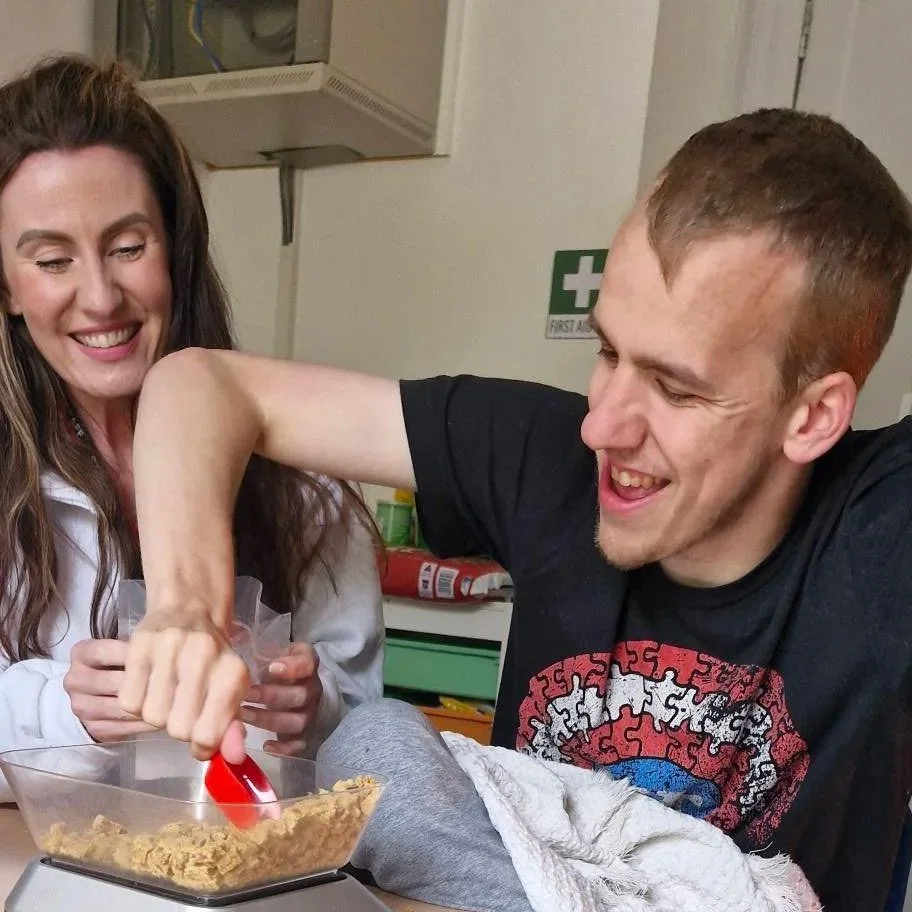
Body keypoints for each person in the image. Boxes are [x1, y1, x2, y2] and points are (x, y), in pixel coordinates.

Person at [122, 107, 912, 911]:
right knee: (374, 743)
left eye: (676, 389)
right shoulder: (544, 456)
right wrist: (184, 609)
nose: (600, 426)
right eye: (608, 352)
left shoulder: (882, 533)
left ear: (813, 417)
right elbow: (204, 385)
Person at [0, 54, 384, 801]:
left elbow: (363, 713)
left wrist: (317, 709)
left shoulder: (303, 480)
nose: (99, 296)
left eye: (127, 246)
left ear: (175, 249)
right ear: (7, 287)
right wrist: (62, 708)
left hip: (239, 870)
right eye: (52, 260)